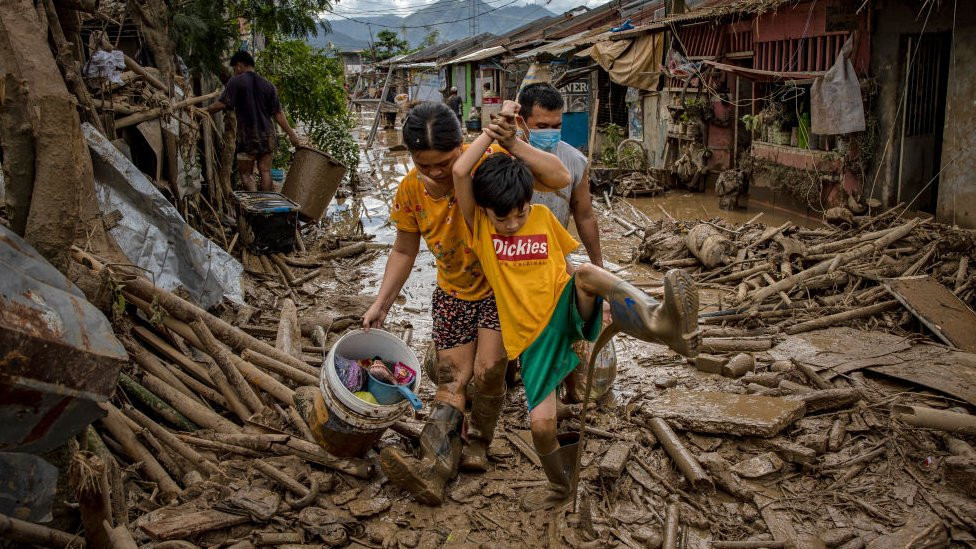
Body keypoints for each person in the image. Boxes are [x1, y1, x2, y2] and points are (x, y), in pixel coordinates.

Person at [451, 100, 700, 511]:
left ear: (528, 202)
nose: (513, 223)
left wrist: (514, 142)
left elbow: (564, 256)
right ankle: (561, 483)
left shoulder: (543, 219)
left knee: (584, 274)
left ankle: (660, 319)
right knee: (542, 426)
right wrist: (492, 132)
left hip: (565, 308)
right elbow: (461, 171)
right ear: (485, 212)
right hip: (533, 340)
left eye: (519, 213)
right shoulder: (478, 224)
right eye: (504, 219)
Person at [364, 102, 571, 506]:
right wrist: (382, 303)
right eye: (426, 165)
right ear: (411, 157)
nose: (437, 172)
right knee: (451, 379)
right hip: (454, 293)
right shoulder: (410, 190)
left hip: (500, 290)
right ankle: (434, 467)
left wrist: (510, 141)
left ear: (461, 144)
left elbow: (559, 177)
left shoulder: (485, 164)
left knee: (490, 370)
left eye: (445, 162)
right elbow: (405, 250)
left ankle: (479, 439)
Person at [518, 82, 606, 403]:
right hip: (511, 262)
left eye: (557, 126)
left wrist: (598, 268)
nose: (551, 133)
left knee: (568, 332)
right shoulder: (505, 157)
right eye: (542, 126)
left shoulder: (573, 161)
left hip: (555, 265)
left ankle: (568, 393)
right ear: (522, 123)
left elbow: (584, 216)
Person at [206, 50, 302, 192]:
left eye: (234, 69)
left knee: (246, 174)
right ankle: (266, 208)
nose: (235, 72)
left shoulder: (236, 81)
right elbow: (278, 113)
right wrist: (291, 133)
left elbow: (222, 104)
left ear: (239, 65)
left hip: (247, 137)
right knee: (265, 172)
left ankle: (255, 208)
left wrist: (204, 111)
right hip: (267, 136)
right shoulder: (269, 85)